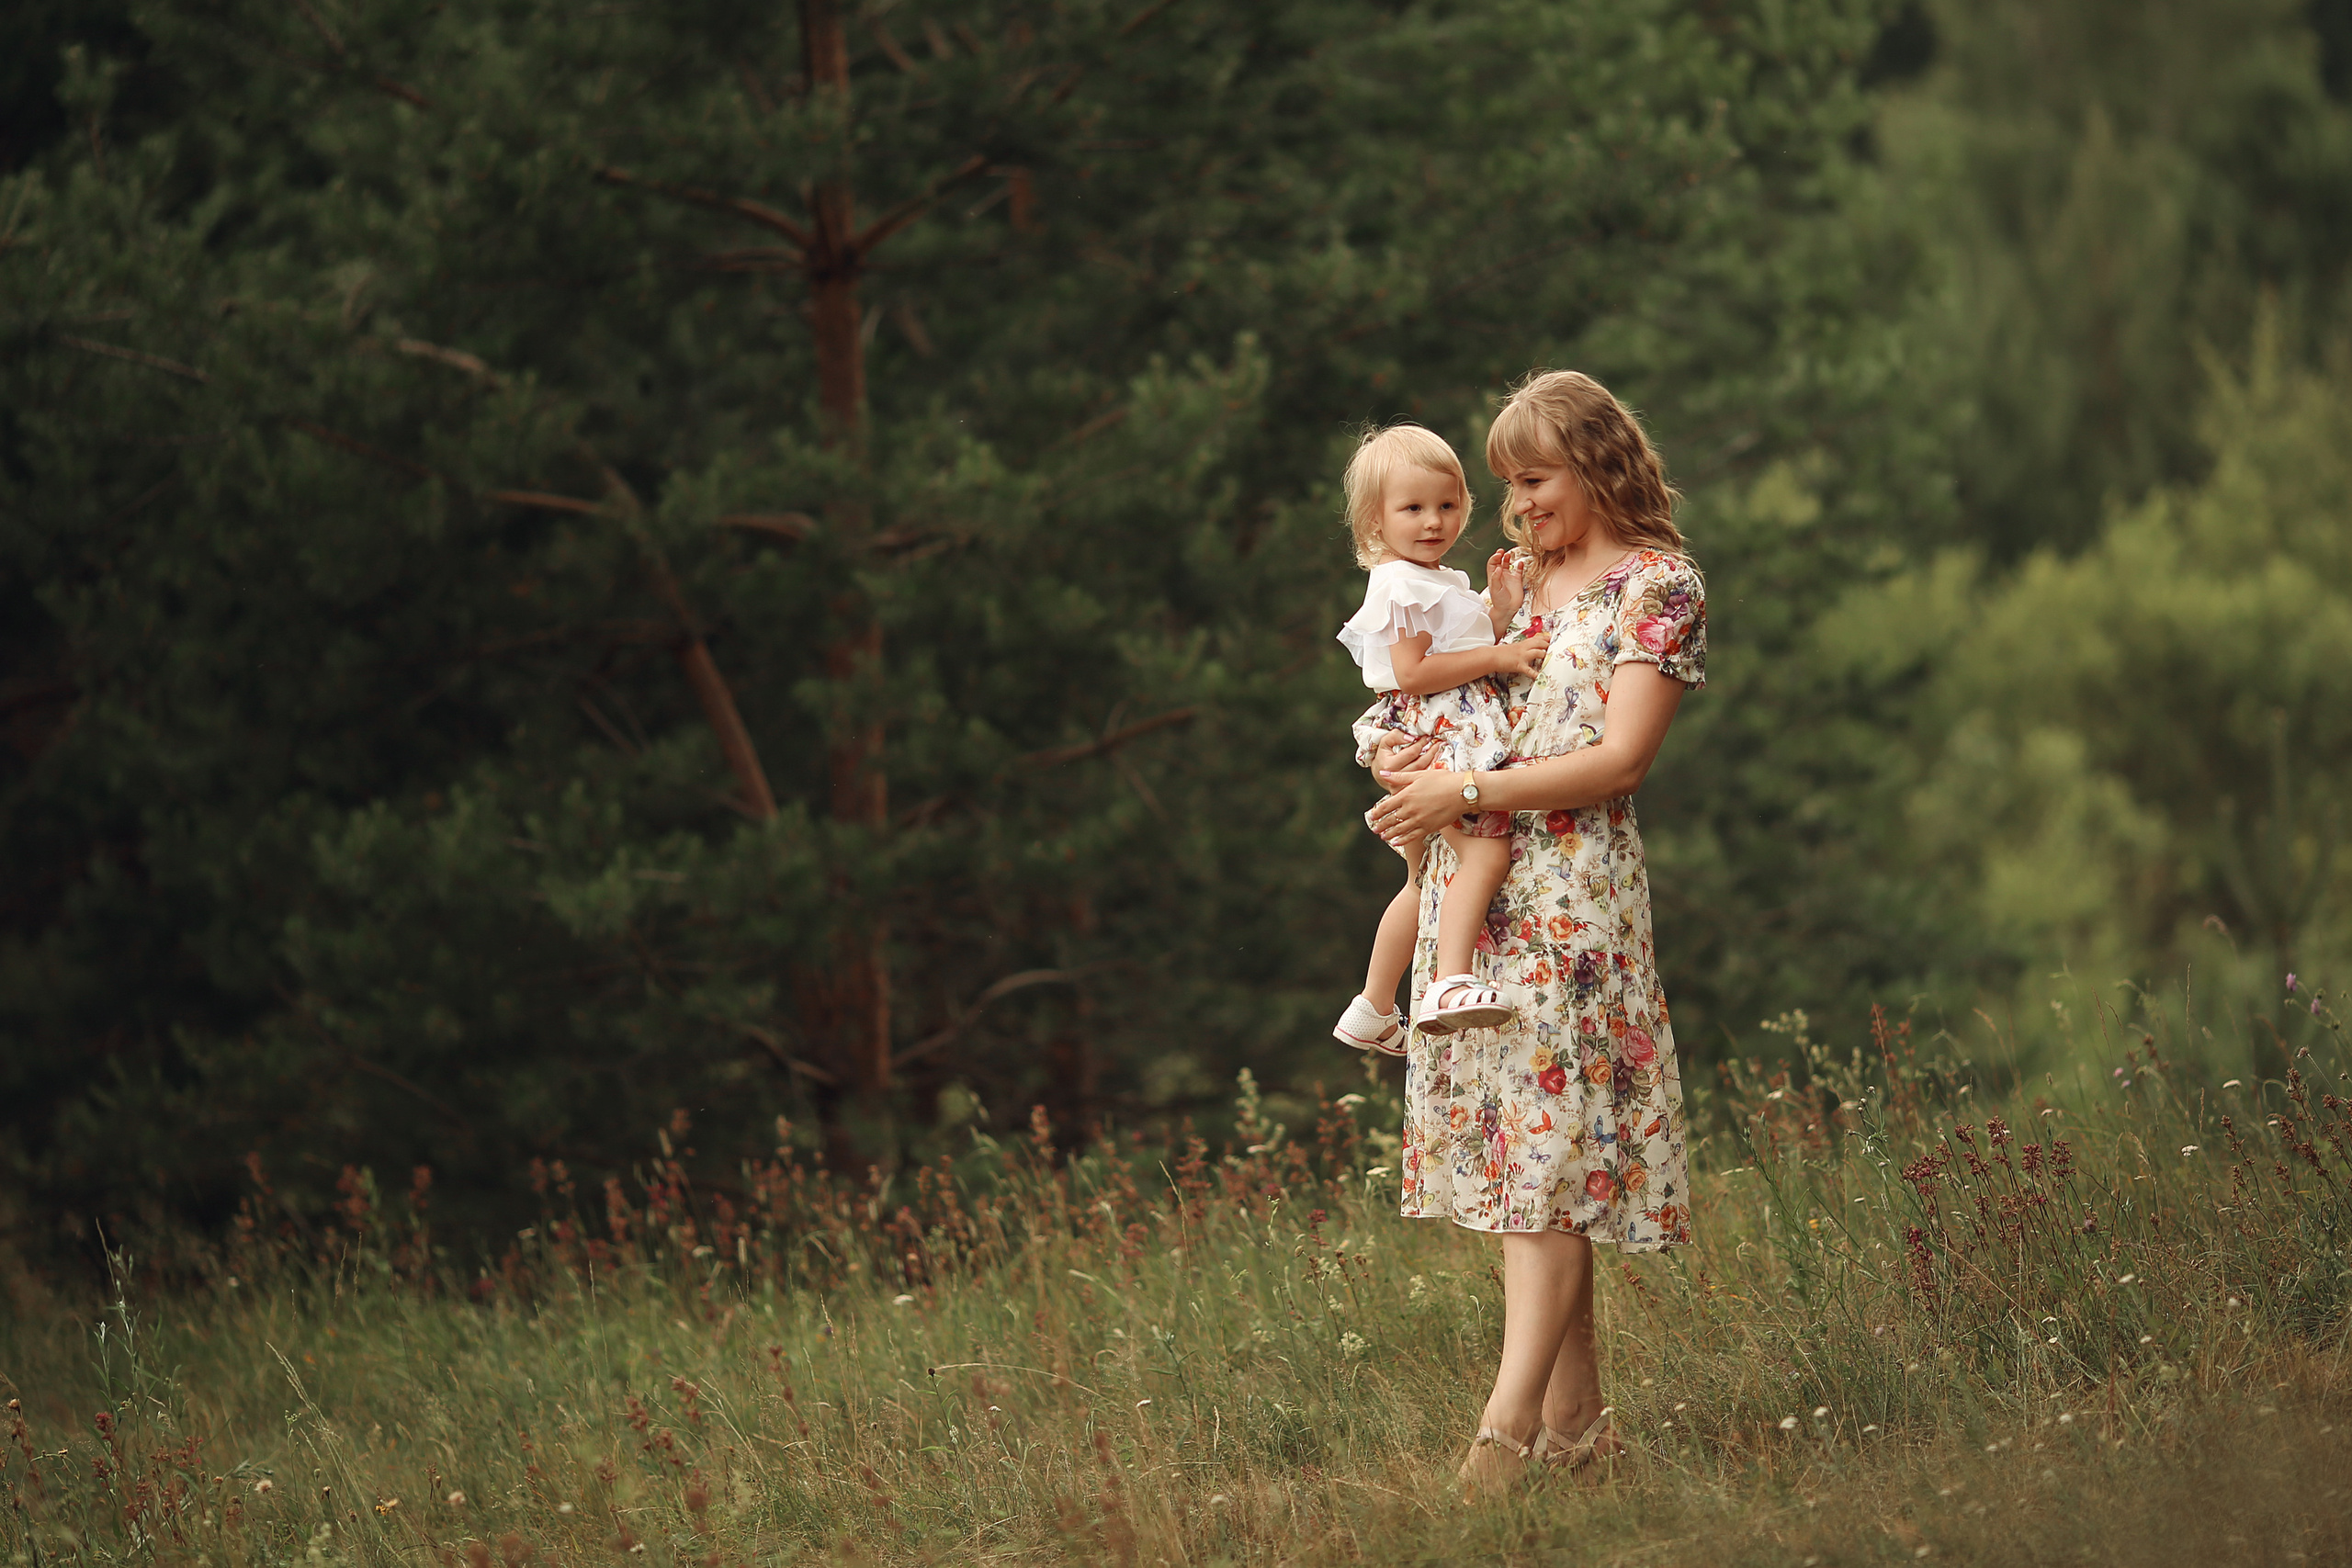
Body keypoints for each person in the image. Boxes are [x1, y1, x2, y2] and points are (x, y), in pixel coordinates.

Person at [1361, 371, 1706, 1495]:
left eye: (1534, 478)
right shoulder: (1526, 586)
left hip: (1574, 898)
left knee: (1549, 1168)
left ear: (1597, 466)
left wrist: (1462, 791)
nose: (1517, 504)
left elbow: (1617, 761)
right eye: (1506, 483)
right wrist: (1404, 764)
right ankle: (1578, 1432)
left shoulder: (1656, 585)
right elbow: (1466, 709)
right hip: (1486, 886)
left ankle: (1498, 1449)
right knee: (1525, 1162)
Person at [1330, 425, 1552, 1055]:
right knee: (1482, 857)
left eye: (1447, 505)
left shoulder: (1433, 579)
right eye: (1413, 508)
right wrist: (1503, 653)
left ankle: (1374, 1004)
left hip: (1440, 720)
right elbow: (1416, 673)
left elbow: (1451, 650)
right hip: (1440, 726)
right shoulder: (1400, 584)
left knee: (1425, 878)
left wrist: (1497, 613)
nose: (1434, 521)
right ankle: (1449, 983)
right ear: (1376, 520)